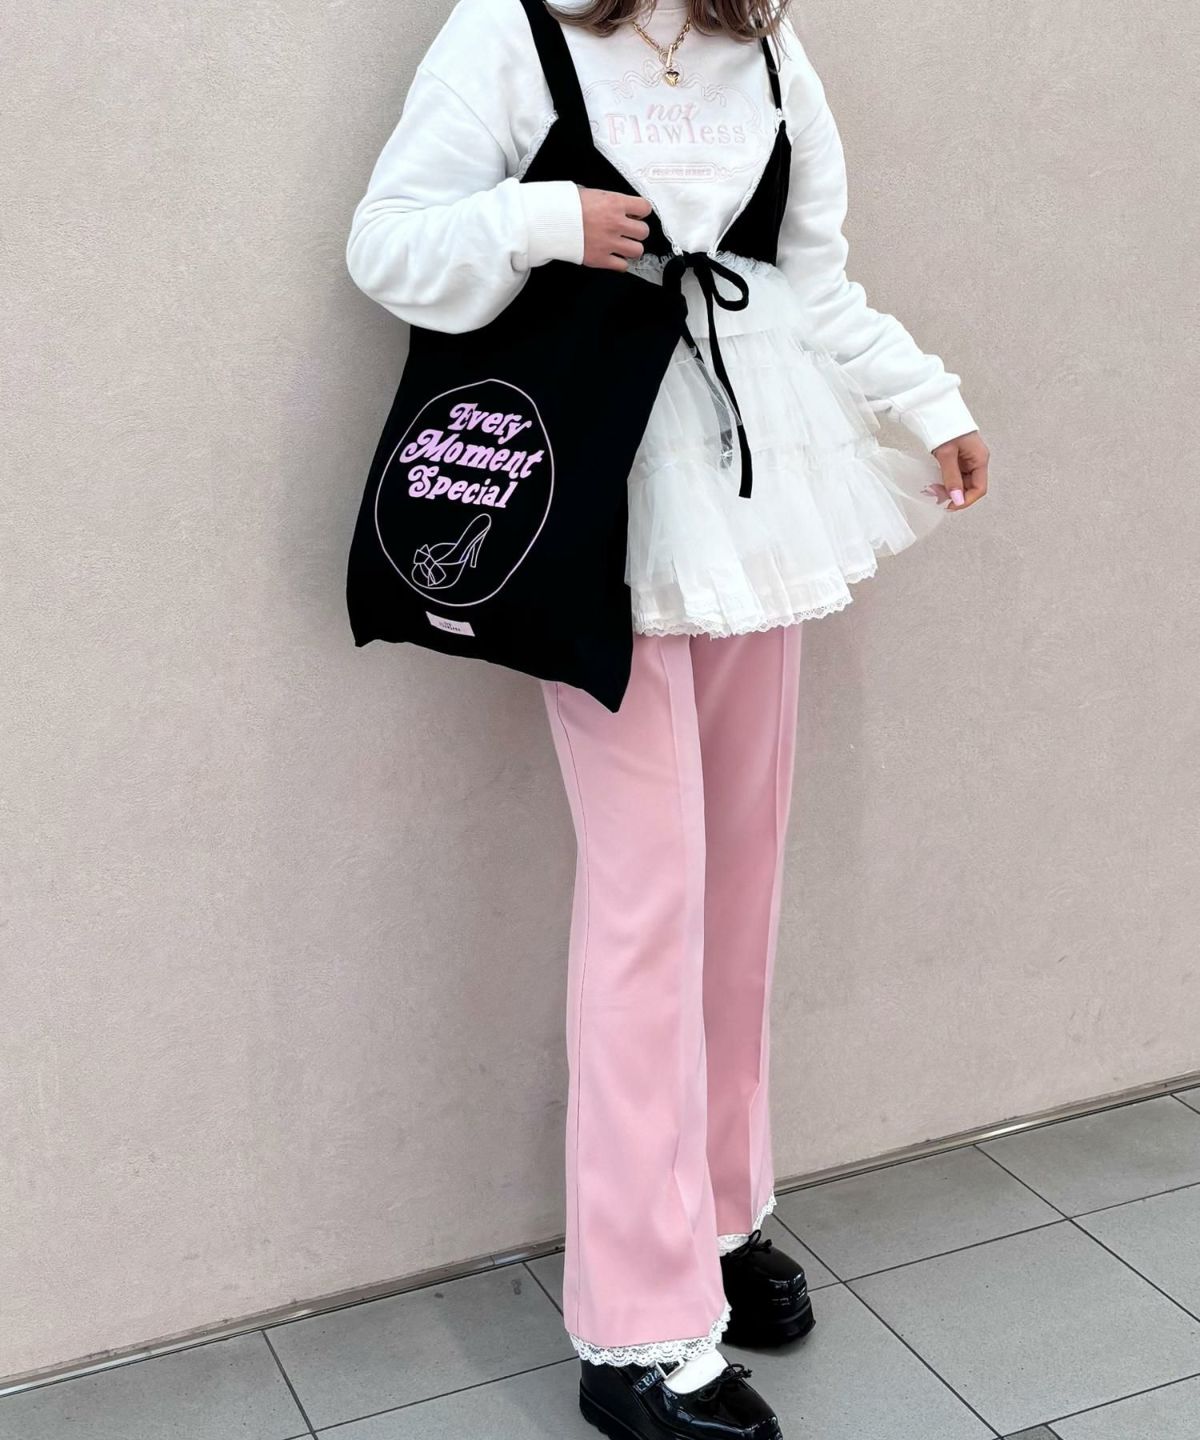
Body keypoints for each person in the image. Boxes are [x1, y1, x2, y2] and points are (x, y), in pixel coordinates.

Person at [345, 0, 989, 1434]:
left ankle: (715, 1214)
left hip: (761, 507)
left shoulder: (764, 39)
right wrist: (539, 221)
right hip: (606, 512)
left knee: (740, 885)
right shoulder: (511, 30)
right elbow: (385, 246)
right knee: (649, 902)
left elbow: (809, 281)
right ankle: (636, 1330)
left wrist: (926, 398)